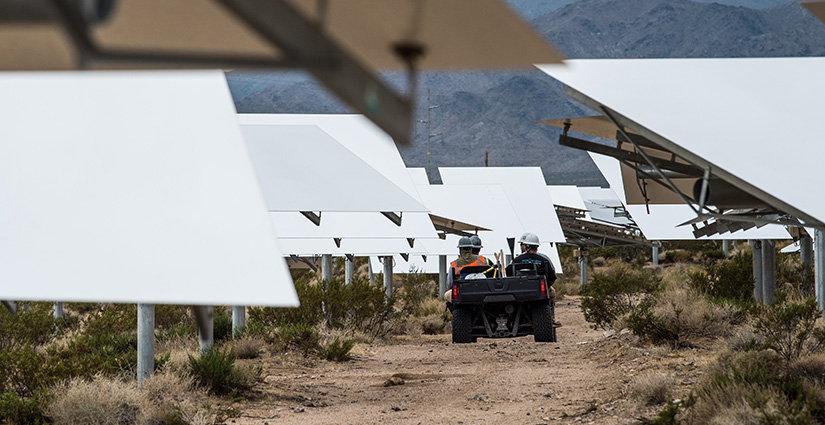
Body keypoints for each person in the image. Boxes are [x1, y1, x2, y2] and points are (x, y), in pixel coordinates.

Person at [510, 232, 560, 326]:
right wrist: (546, 286)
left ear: (526, 246)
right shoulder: (544, 259)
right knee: (552, 293)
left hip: (518, 291)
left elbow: (509, 276)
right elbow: (552, 277)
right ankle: (551, 319)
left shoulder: (516, 260)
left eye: (522, 245)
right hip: (539, 291)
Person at [444, 236, 489, 302]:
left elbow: (449, 284)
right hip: (481, 293)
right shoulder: (482, 260)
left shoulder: (454, 264)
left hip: (463, 295)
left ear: (460, 249)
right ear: (471, 248)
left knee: (446, 295)